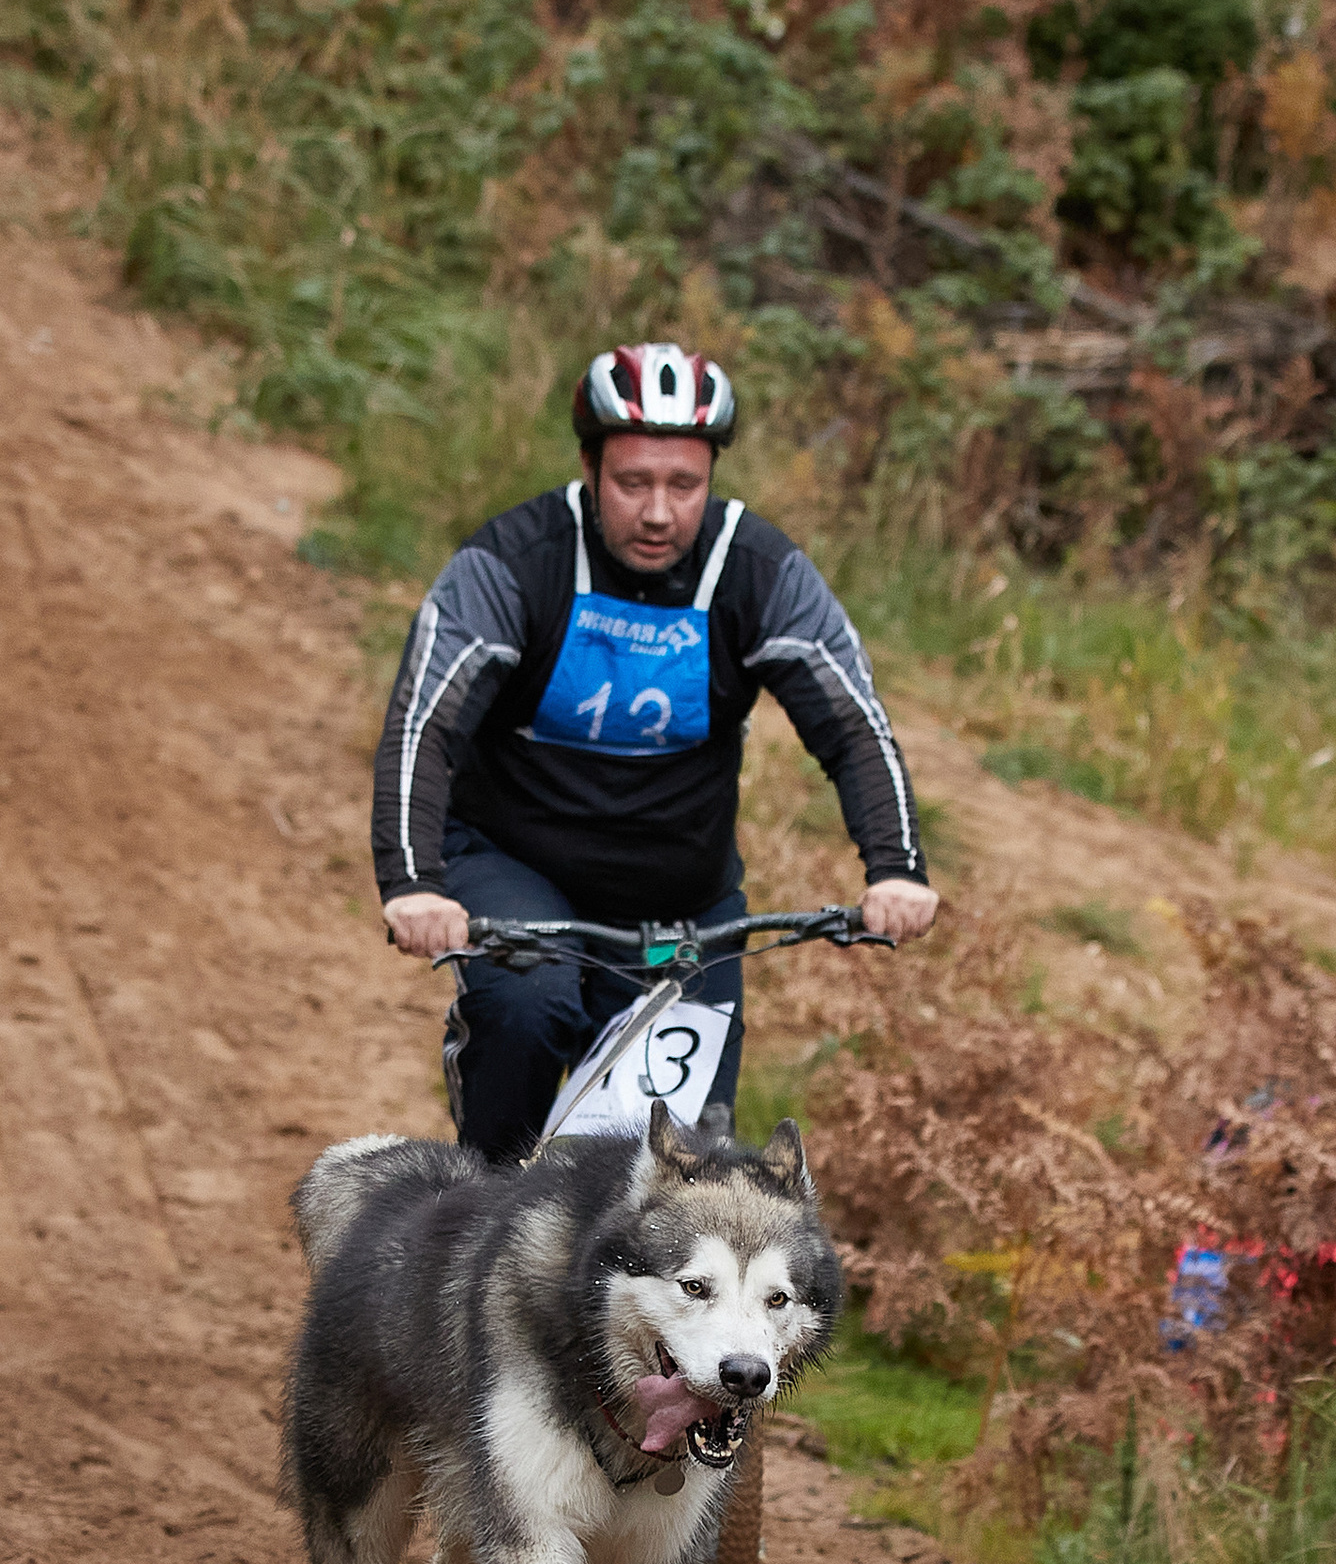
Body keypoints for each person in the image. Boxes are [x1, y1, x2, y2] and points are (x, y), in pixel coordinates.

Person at [372, 340, 940, 1160]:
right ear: (589, 469)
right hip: (515, 862)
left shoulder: (758, 570)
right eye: (633, 483)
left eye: (684, 485)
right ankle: (483, 1209)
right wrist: (414, 884)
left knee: (683, 1171)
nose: (659, 512)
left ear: (712, 478)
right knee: (528, 1012)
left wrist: (895, 867)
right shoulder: (513, 563)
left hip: (682, 900)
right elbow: (425, 722)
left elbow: (851, 724)